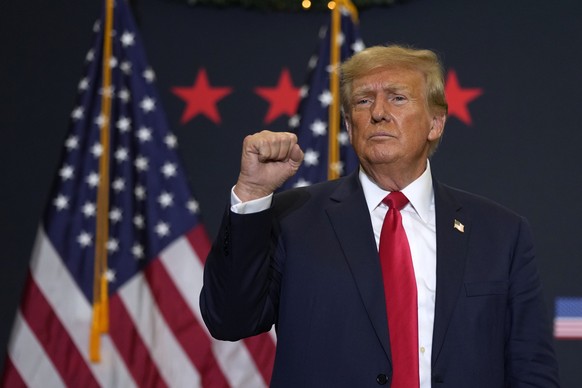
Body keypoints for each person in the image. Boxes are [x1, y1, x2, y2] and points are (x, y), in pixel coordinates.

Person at [200, 45, 559, 387]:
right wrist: (251, 194)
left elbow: (532, 369)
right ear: (348, 124)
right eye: (363, 100)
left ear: (436, 122)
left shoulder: (500, 233)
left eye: (397, 97)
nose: (378, 112)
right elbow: (229, 320)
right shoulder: (293, 220)